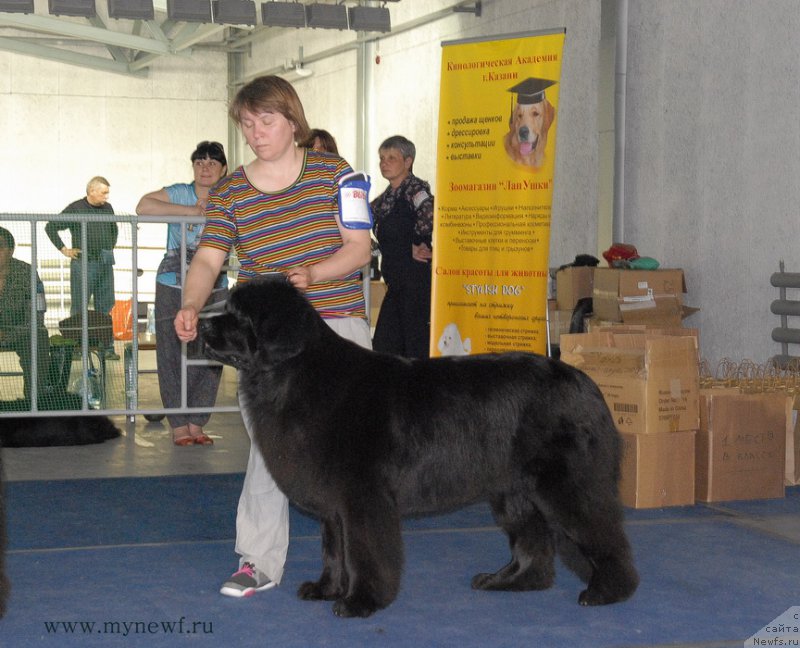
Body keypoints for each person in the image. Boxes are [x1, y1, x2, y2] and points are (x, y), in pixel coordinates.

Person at [173, 76, 372, 598]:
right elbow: (209, 258)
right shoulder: (232, 189)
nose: (256, 132)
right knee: (270, 450)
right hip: (267, 345)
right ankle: (257, 560)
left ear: (292, 120)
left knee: (352, 456)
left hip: (338, 328)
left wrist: (318, 273)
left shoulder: (338, 174)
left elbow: (360, 248)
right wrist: (191, 303)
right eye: (247, 123)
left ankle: (359, 561)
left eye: (267, 121)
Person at [136, 141, 230, 446]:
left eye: (212, 163)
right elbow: (144, 206)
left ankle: (197, 421)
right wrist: (190, 211)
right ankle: (178, 423)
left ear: (223, 169)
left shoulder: (230, 197)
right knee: (171, 351)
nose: (205, 168)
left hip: (216, 286)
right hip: (172, 283)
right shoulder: (179, 192)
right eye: (199, 162)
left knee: (211, 351)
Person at [370, 135, 434, 358]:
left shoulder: (416, 191)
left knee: (413, 348)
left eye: (391, 158)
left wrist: (417, 243)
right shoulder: (382, 200)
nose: (384, 163)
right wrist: (376, 249)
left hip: (416, 284)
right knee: (385, 347)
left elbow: (430, 213)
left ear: (408, 162)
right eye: (381, 158)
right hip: (395, 283)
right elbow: (358, 227)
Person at [46, 176, 119, 359]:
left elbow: (114, 229)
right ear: (91, 191)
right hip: (83, 262)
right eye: (103, 193)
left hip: (104, 261)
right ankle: (76, 347)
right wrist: (65, 250)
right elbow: (51, 227)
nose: (106, 197)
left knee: (106, 305)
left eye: (107, 193)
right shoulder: (75, 208)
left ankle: (106, 347)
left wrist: (109, 246)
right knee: (79, 306)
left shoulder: (108, 209)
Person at [0, 227, 49, 404]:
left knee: (40, 338)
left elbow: (38, 314)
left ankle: (34, 404)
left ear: (11, 250)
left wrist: (9, 334)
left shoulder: (27, 273)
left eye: (0, 247)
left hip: (20, 332)